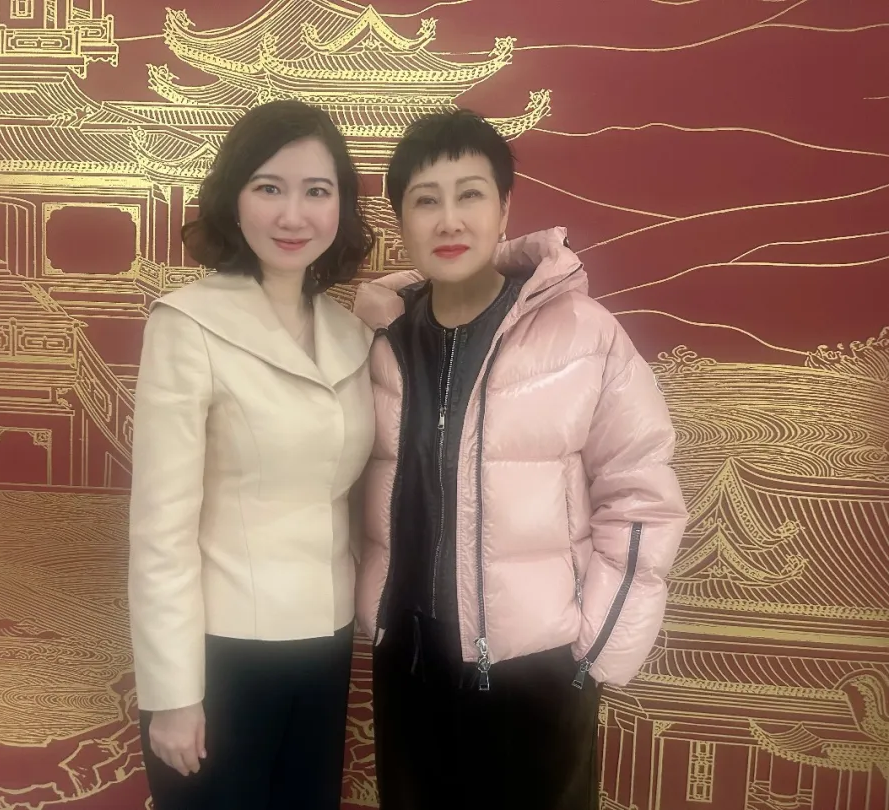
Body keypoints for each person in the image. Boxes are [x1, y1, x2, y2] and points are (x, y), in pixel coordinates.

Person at [352, 109, 689, 808]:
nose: (450, 219)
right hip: (408, 661)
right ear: (401, 219)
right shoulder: (381, 341)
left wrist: (594, 650)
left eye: (470, 194)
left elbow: (641, 493)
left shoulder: (584, 334)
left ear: (504, 209)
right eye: (426, 200)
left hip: (537, 671)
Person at [127, 99, 375, 810]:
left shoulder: (352, 335)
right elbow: (161, 527)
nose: (293, 215)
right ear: (234, 198)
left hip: (325, 642)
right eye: (269, 187)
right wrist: (174, 694)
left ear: (340, 207)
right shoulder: (188, 324)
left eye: (316, 191)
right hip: (220, 650)